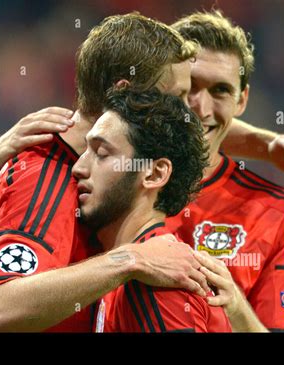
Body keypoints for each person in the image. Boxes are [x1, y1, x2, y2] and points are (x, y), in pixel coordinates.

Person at [0, 12, 284, 332]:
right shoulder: (53, 178)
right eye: (178, 96)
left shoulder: (76, 156)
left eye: (214, 92)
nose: (191, 110)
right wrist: (131, 261)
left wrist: (270, 145)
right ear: (128, 95)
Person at [166, 10, 284, 332]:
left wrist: (235, 305)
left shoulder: (278, 212)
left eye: (220, 91)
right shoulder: (103, 179)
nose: (201, 108)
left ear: (241, 101)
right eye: (190, 86)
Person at [74, 87, 230, 332]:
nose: (78, 167)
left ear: (155, 173)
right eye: (85, 151)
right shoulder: (134, 268)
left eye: (102, 153)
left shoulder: (162, 285)